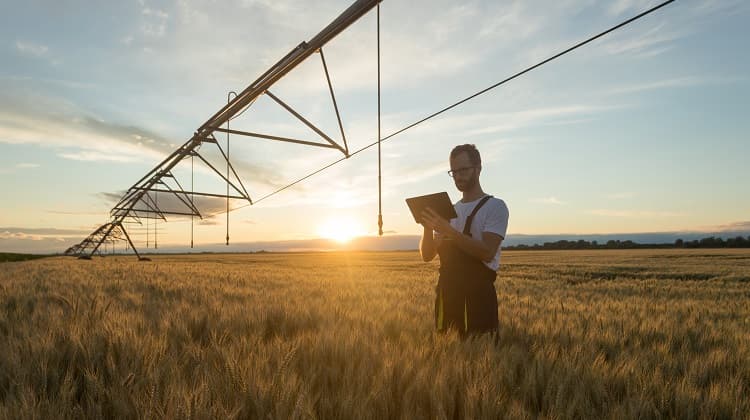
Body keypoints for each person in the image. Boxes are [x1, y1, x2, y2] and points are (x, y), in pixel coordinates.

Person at [419, 144, 509, 336]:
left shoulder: (495, 206)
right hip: (447, 294)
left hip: (478, 296)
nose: (458, 176)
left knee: (481, 354)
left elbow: (487, 252)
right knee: (448, 353)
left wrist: (448, 231)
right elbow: (427, 255)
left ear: (478, 168)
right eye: (454, 171)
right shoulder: (447, 210)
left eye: (464, 170)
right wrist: (427, 227)